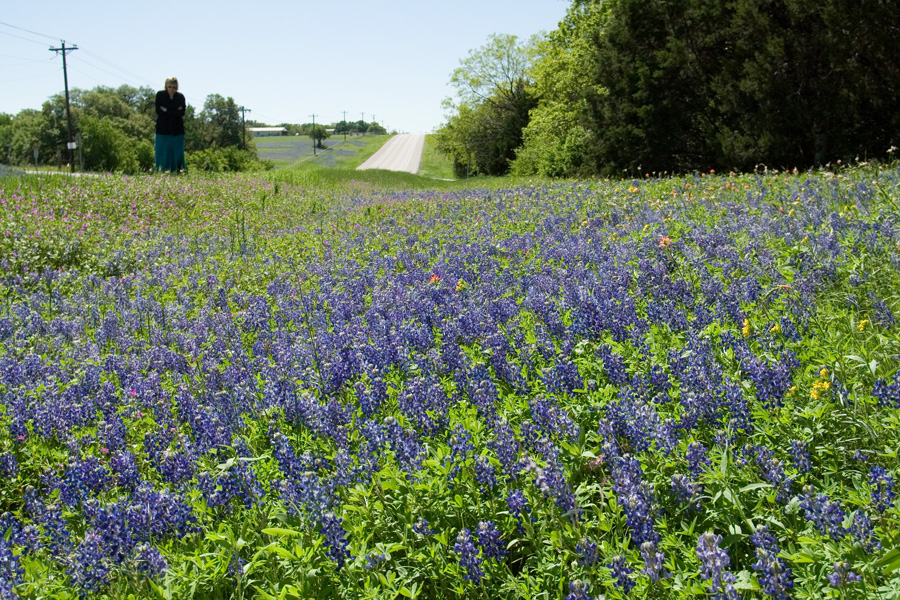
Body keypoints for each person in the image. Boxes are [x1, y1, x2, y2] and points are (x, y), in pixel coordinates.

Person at [155, 76, 187, 172]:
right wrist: (174, 111)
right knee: (162, 152)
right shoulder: (160, 95)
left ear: (176, 87)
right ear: (166, 86)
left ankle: (178, 172)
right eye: (169, 87)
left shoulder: (180, 97)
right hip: (162, 130)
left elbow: (182, 112)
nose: (171, 89)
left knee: (177, 152)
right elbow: (158, 111)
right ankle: (162, 172)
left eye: (173, 87)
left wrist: (166, 110)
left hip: (177, 130)